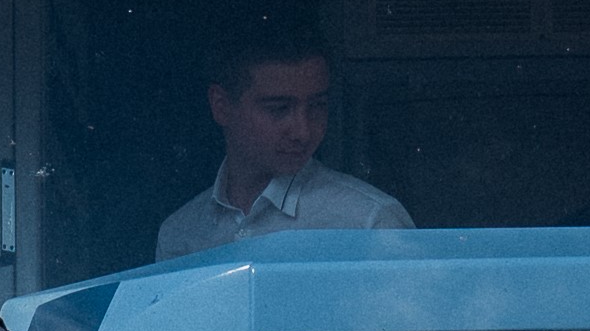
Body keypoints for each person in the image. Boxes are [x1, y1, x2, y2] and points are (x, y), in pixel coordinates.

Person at [154, 32, 412, 259]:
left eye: (317, 106)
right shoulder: (179, 234)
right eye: (278, 109)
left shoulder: (370, 222)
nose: (303, 130)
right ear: (221, 106)